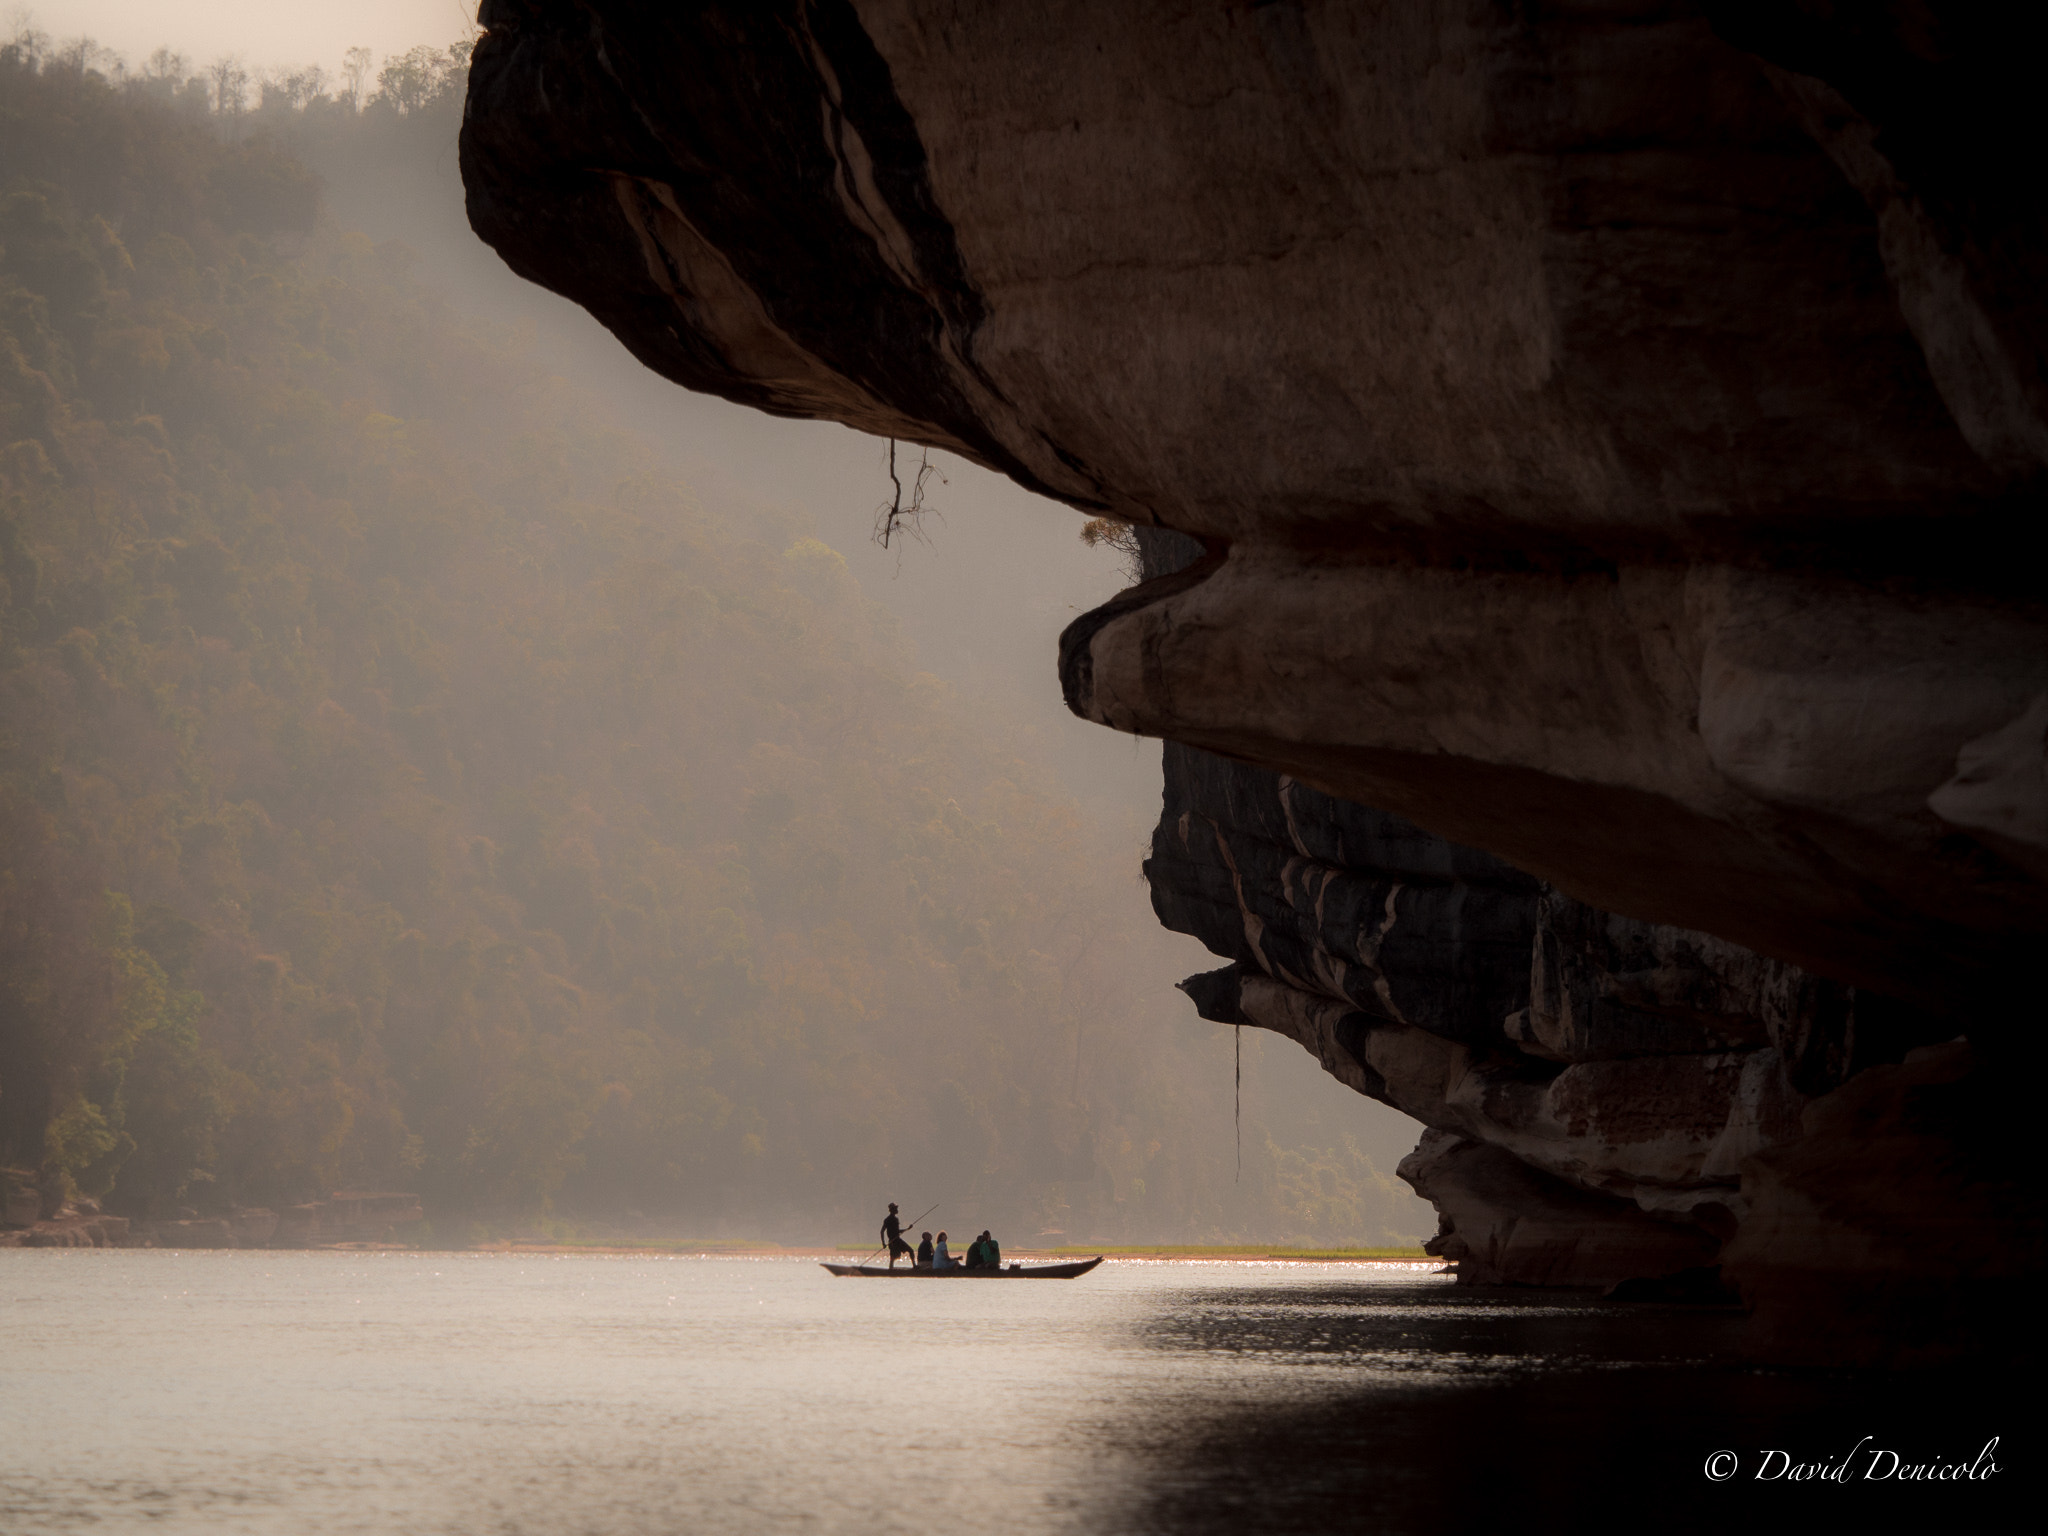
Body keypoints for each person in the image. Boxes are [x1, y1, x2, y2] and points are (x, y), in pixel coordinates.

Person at [880, 1203, 915, 1269]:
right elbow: (882, 1231)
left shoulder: (896, 1219)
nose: (897, 1210)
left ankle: (914, 1266)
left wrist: (907, 1229)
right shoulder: (887, 1220)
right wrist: (883, 1243)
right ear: (892, 1210)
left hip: (897, 1240)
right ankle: (891, 1270)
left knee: (911, 1250)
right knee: (893, 1257)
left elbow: (897, 1231)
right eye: (896, 1208)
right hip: (893, 1242)